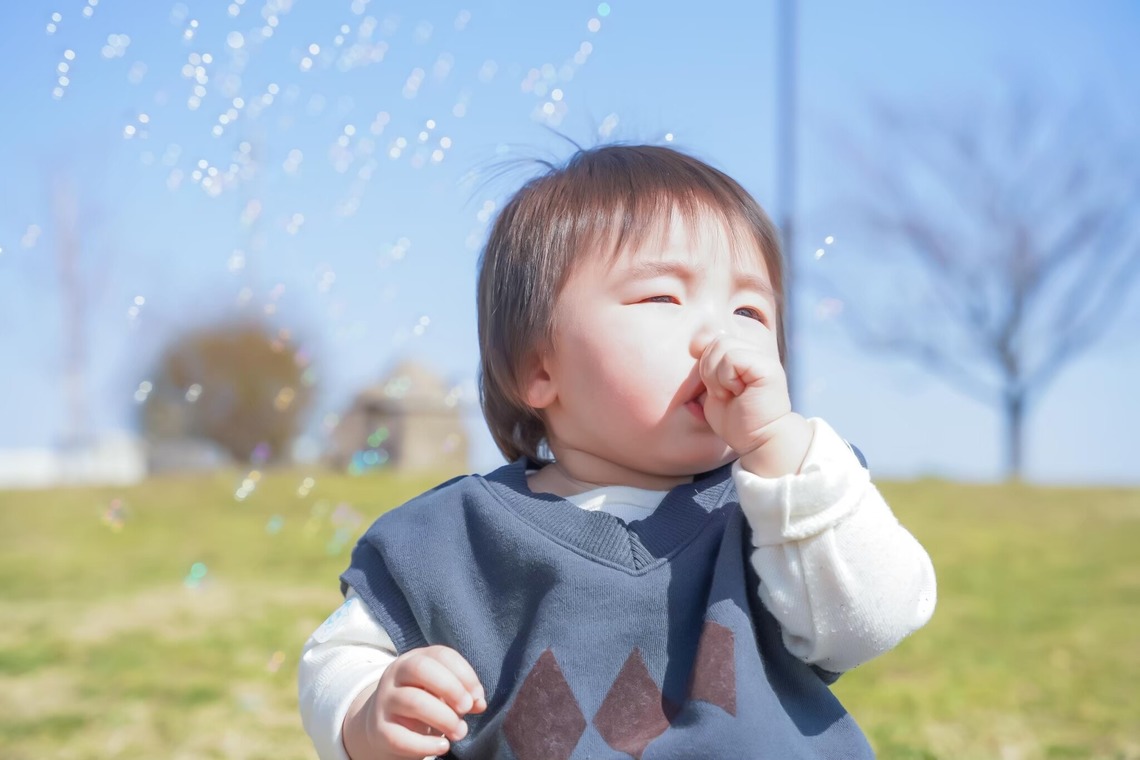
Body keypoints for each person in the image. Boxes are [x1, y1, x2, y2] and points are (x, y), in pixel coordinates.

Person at [298, 144, 937, 760]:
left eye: (750, 310)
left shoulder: (786, 499)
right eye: (662, 297)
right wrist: (363, 712)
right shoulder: (450, 539)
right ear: (537, 368)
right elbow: (339, 655)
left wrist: (778, 445)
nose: (719, 333)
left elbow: (871, 621)